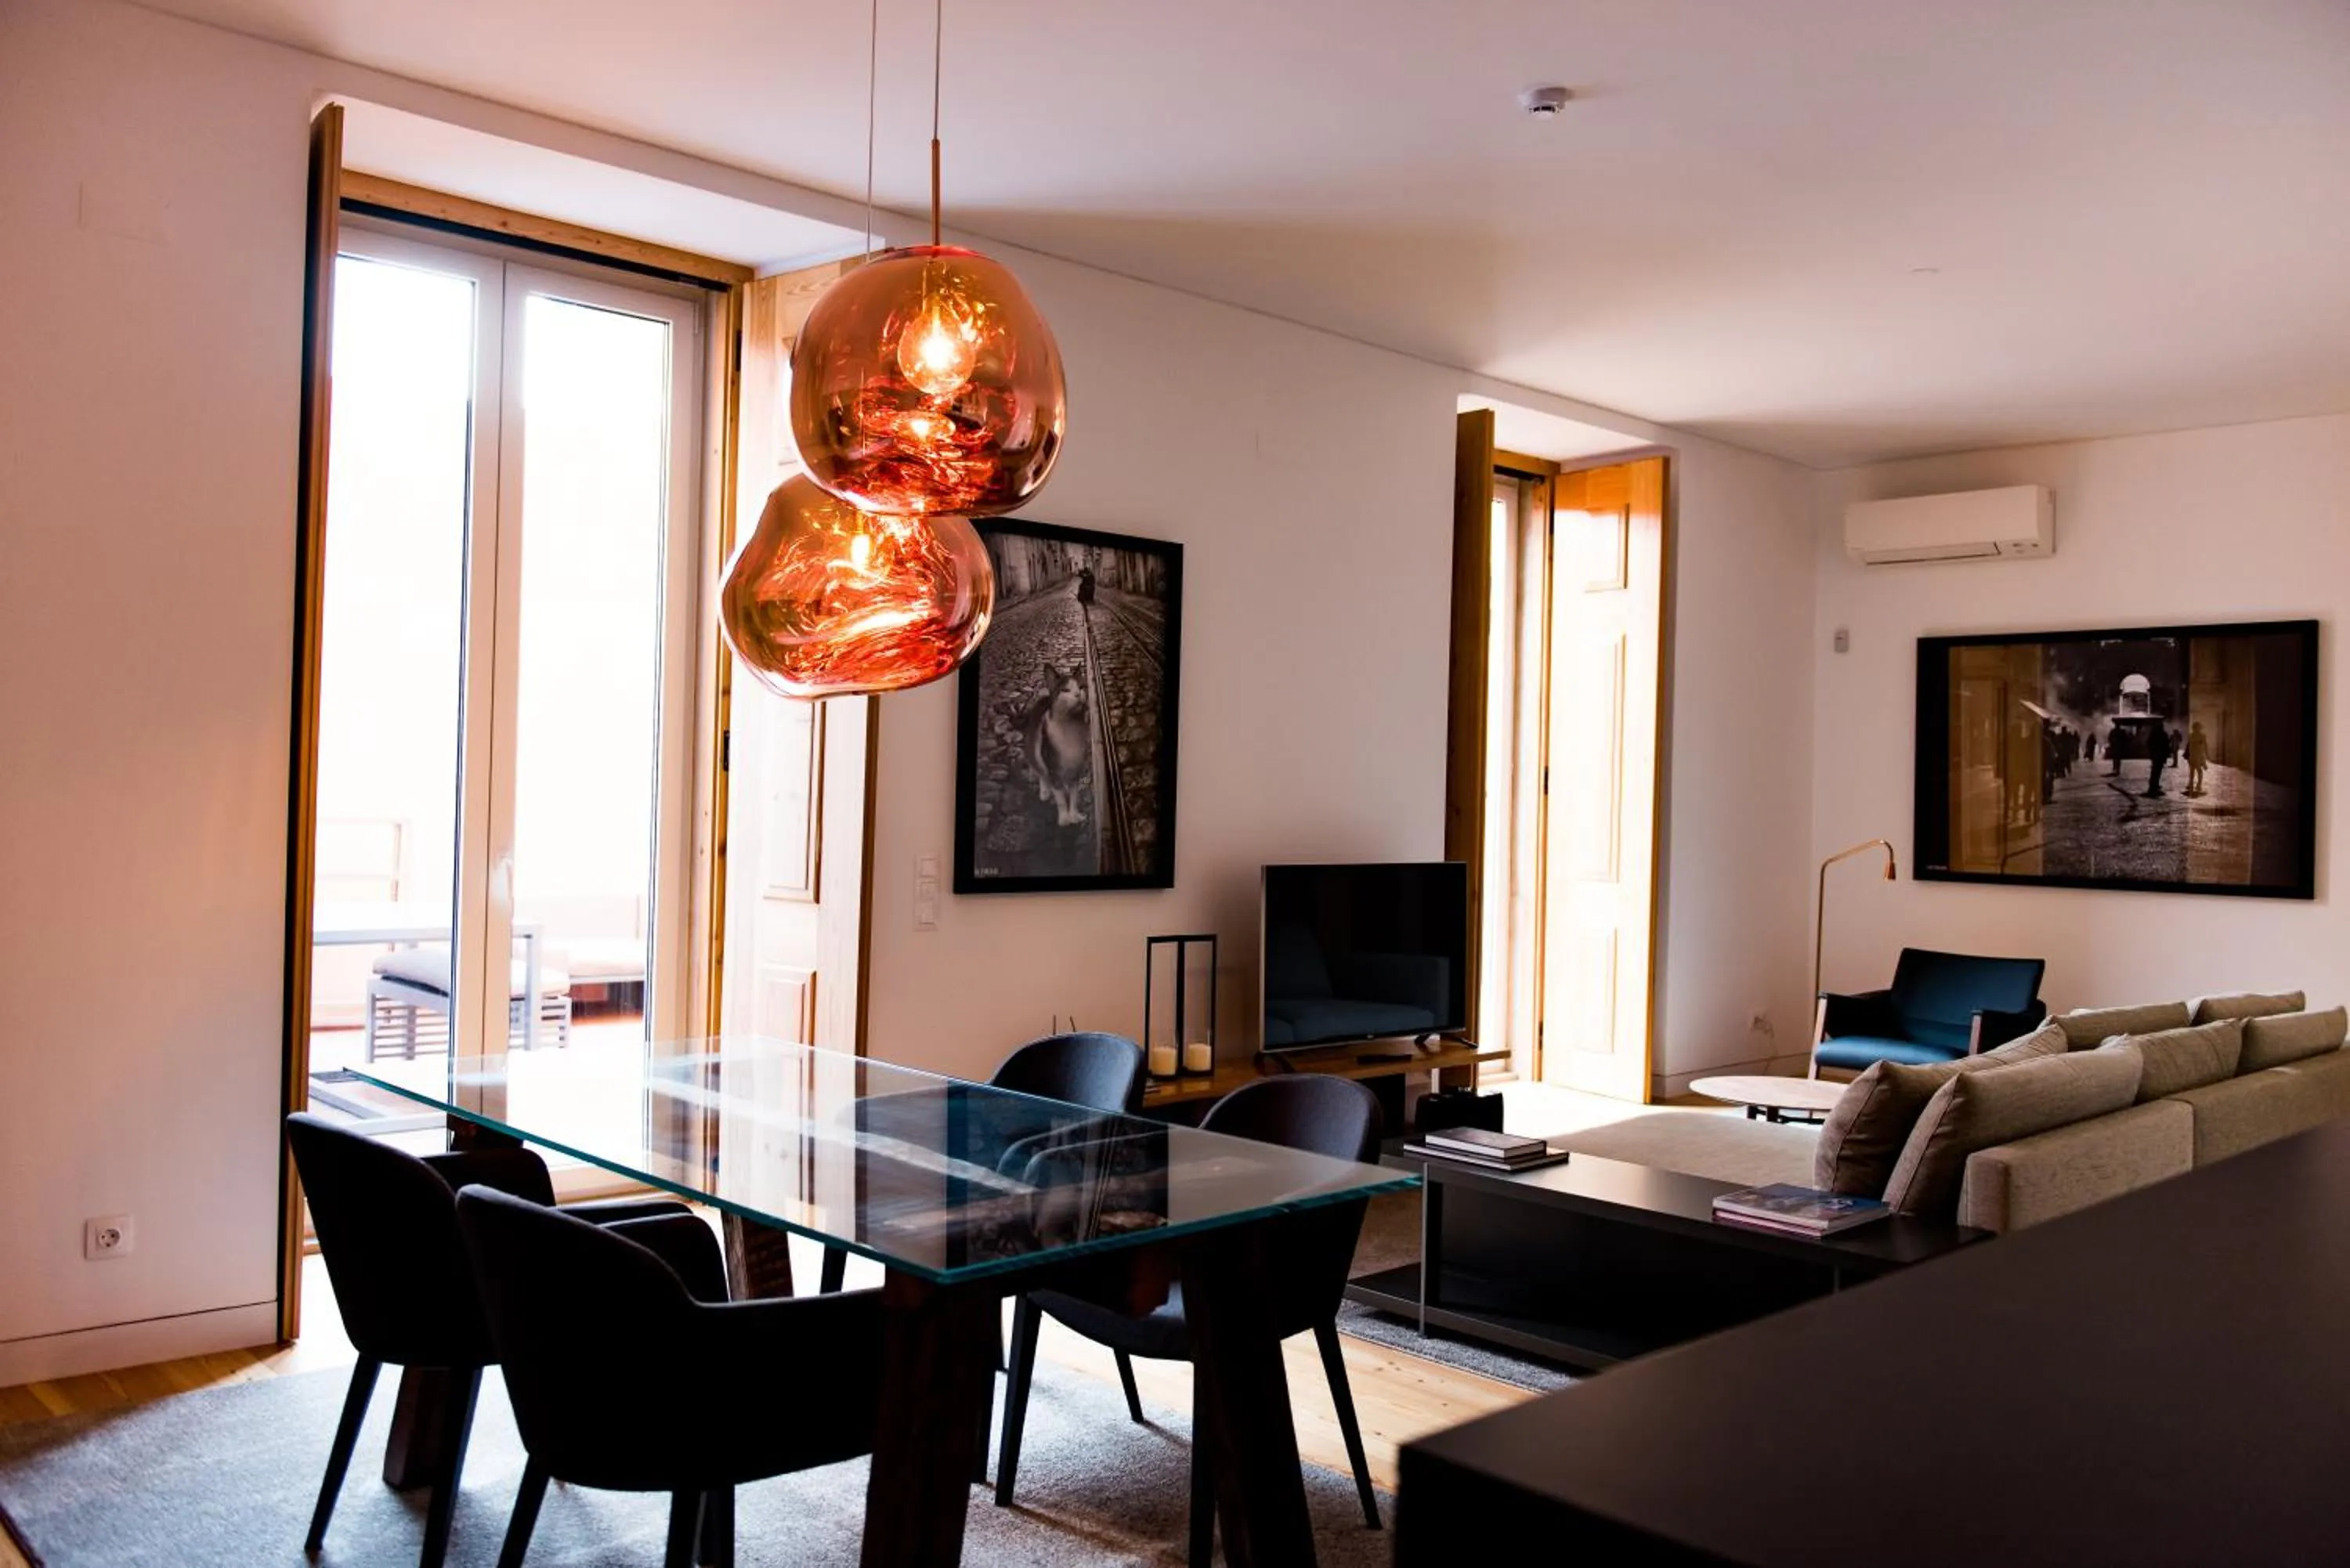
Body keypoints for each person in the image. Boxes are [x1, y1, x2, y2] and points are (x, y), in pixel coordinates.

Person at [2145, 723, 2174, 799]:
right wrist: (2167, 753)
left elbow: (2149, 743)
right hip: (2160, 755)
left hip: (2155, 755)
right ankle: (2154, 787)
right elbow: (2166, 745)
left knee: (2155, 771)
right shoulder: (2163, 734)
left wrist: (2152, 752)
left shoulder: (2153, 734)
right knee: (2157, 772)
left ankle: (2153, 787)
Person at [2186, 719, 2211, 796]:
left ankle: (2196, 785)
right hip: (2195, 756)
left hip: (2196, 756)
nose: (2198, 729)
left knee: (2196, 771)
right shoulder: (2198, 736)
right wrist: (2207, 755)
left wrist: (2207, 755)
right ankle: (2195, 785)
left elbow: (2205, 746)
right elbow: (2190, 746)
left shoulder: (2194, 735)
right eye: (2197, 727)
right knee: (2195, 772)